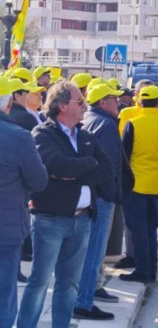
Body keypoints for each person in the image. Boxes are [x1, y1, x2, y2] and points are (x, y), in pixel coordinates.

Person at [19, 81, 113, 328]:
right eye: (79, 102)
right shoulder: (42, 134)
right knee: (39, 282)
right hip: (50, 219)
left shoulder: (86, 136)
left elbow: (106, 170)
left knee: (69, 283)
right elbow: (56, 166)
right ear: (62, 106)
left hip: (81, 220)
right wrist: (86, 165)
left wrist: (77, 171)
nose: (84, 105)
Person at [74, 83, 126, 320]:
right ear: (103, 102)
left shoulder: (88, 120)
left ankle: (83, 297)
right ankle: (84, 302)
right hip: (101, 197)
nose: (119, 102)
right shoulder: (106, 124)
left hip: (90, 195)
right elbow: (106, 165)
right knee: (94, 252)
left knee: (88, 252)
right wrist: (110, 192)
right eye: (114, 99)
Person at [0, 77, 48, 328]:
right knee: (3, 298)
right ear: (9, 103)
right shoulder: (18, 137)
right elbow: (39, 181)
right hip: (6, 229)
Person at [120, 85, 158, 283]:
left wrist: (125, 183)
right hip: (157, 184)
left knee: (138, 230)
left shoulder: (133, 123)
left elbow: (124, 156)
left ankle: (142, 270)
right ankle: (151, 270)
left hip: (135, 184)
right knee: (151, 229)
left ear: (139, 101)